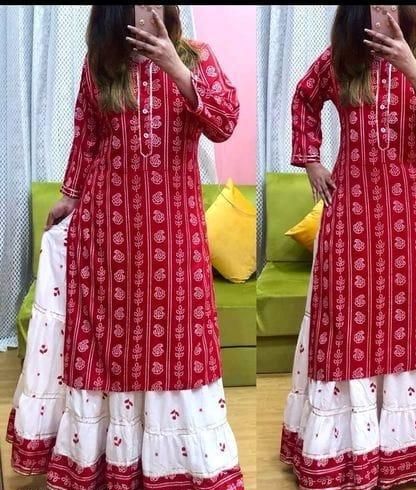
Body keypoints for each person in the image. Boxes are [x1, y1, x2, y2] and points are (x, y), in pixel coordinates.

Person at [7, 5, 244, 489]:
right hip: (107, 230)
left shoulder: (196, 57)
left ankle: (174, 464)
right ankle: (108, 463)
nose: (149, 9)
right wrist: (70, 195)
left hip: (174, 234)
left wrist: (175, 68)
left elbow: (225, 122)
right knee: (109, 343)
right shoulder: (102, 64)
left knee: (177, 341)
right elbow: (86, 137)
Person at [280, 5, 416, 489]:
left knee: (412, 320)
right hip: (353, 213)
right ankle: (349, 448)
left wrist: (411, 67)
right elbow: (304, 98)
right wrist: (311, 160)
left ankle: (409, 445)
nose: (383, 12)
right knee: (347, 320)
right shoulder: (343, 60)